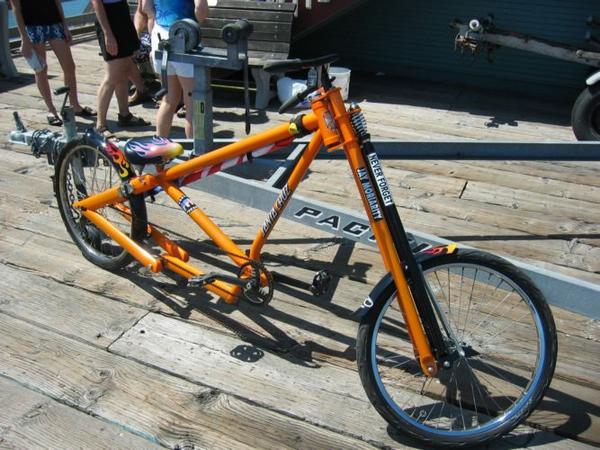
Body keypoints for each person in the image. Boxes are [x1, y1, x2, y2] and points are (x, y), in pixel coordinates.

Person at [10, 0, 96, 126]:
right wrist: (24, 38)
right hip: (33, 26)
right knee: (41, 69)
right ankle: (51, 110)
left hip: (54, 23)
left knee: (69, 66)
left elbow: (57, 2)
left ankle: (75, 105)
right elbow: (16, 9)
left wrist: (65, 26)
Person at [145, 0, 209, 137]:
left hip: (160, 35)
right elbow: (201, 8)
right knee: (193, 101)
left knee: (168, 99)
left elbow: (146, 8)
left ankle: (160, 148)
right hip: (185, 36)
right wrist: (195, 26)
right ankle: (197, 153)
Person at [91, 0, 150, 134]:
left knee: (122, 70)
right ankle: (100, 125)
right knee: (112, 75)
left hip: (122, 14)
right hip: (109, 20)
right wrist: (107, 33)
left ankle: (125, 115)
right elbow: (97, 4)